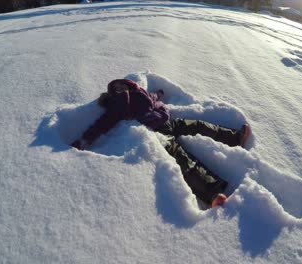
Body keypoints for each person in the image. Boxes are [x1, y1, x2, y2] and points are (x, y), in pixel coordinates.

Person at [71, 79, 251, 208]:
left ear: (128, 84)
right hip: (157, 132)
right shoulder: (120, 102)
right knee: (183, 159)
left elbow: (153, 98)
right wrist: (84, 140)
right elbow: (103, 123)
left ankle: (234, 137)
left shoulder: (140, 93)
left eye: (120, 84)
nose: (119, 88)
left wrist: (159, 94)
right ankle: (212, 193)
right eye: (114, 89)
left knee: (198, 125)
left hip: (167, 123)